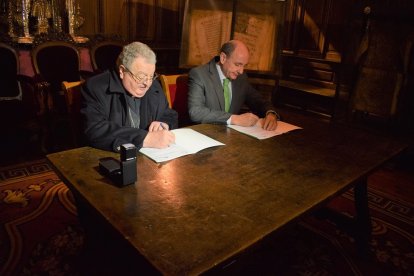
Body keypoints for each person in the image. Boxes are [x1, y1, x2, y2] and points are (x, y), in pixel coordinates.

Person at [81, 41, 177, 152]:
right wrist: (144, 138)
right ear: (122, 71)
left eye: (151, 76)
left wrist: (163, 124)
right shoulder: (96, 87)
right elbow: (95, 129)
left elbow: (169, 114)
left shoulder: (153, 86)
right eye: (141, 76)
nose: (147, 83)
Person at [188, 40, 279, 130]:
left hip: (231, 136)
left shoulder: (241, 78)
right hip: (205, 135)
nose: (241, 71)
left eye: (244, 65)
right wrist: (234, 119)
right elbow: (195, 112)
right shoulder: (199, 74)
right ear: (223, 58)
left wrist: (270, 113)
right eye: (238, 64)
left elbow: (258, 100)